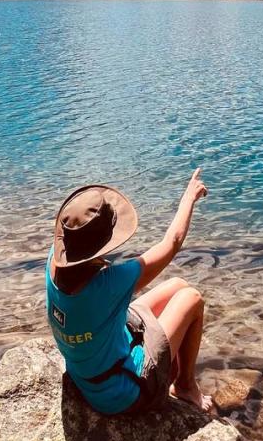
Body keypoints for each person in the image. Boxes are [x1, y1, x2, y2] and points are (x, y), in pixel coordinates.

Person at [45, 169, 212, 416]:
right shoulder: (108, 284)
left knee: (177, 284)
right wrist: (189, 197)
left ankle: (177, 372)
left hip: (87, 371)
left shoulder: (53, 263)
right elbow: (172, 242)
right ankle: (185, 386)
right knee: (192, 298)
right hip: (122, 393)